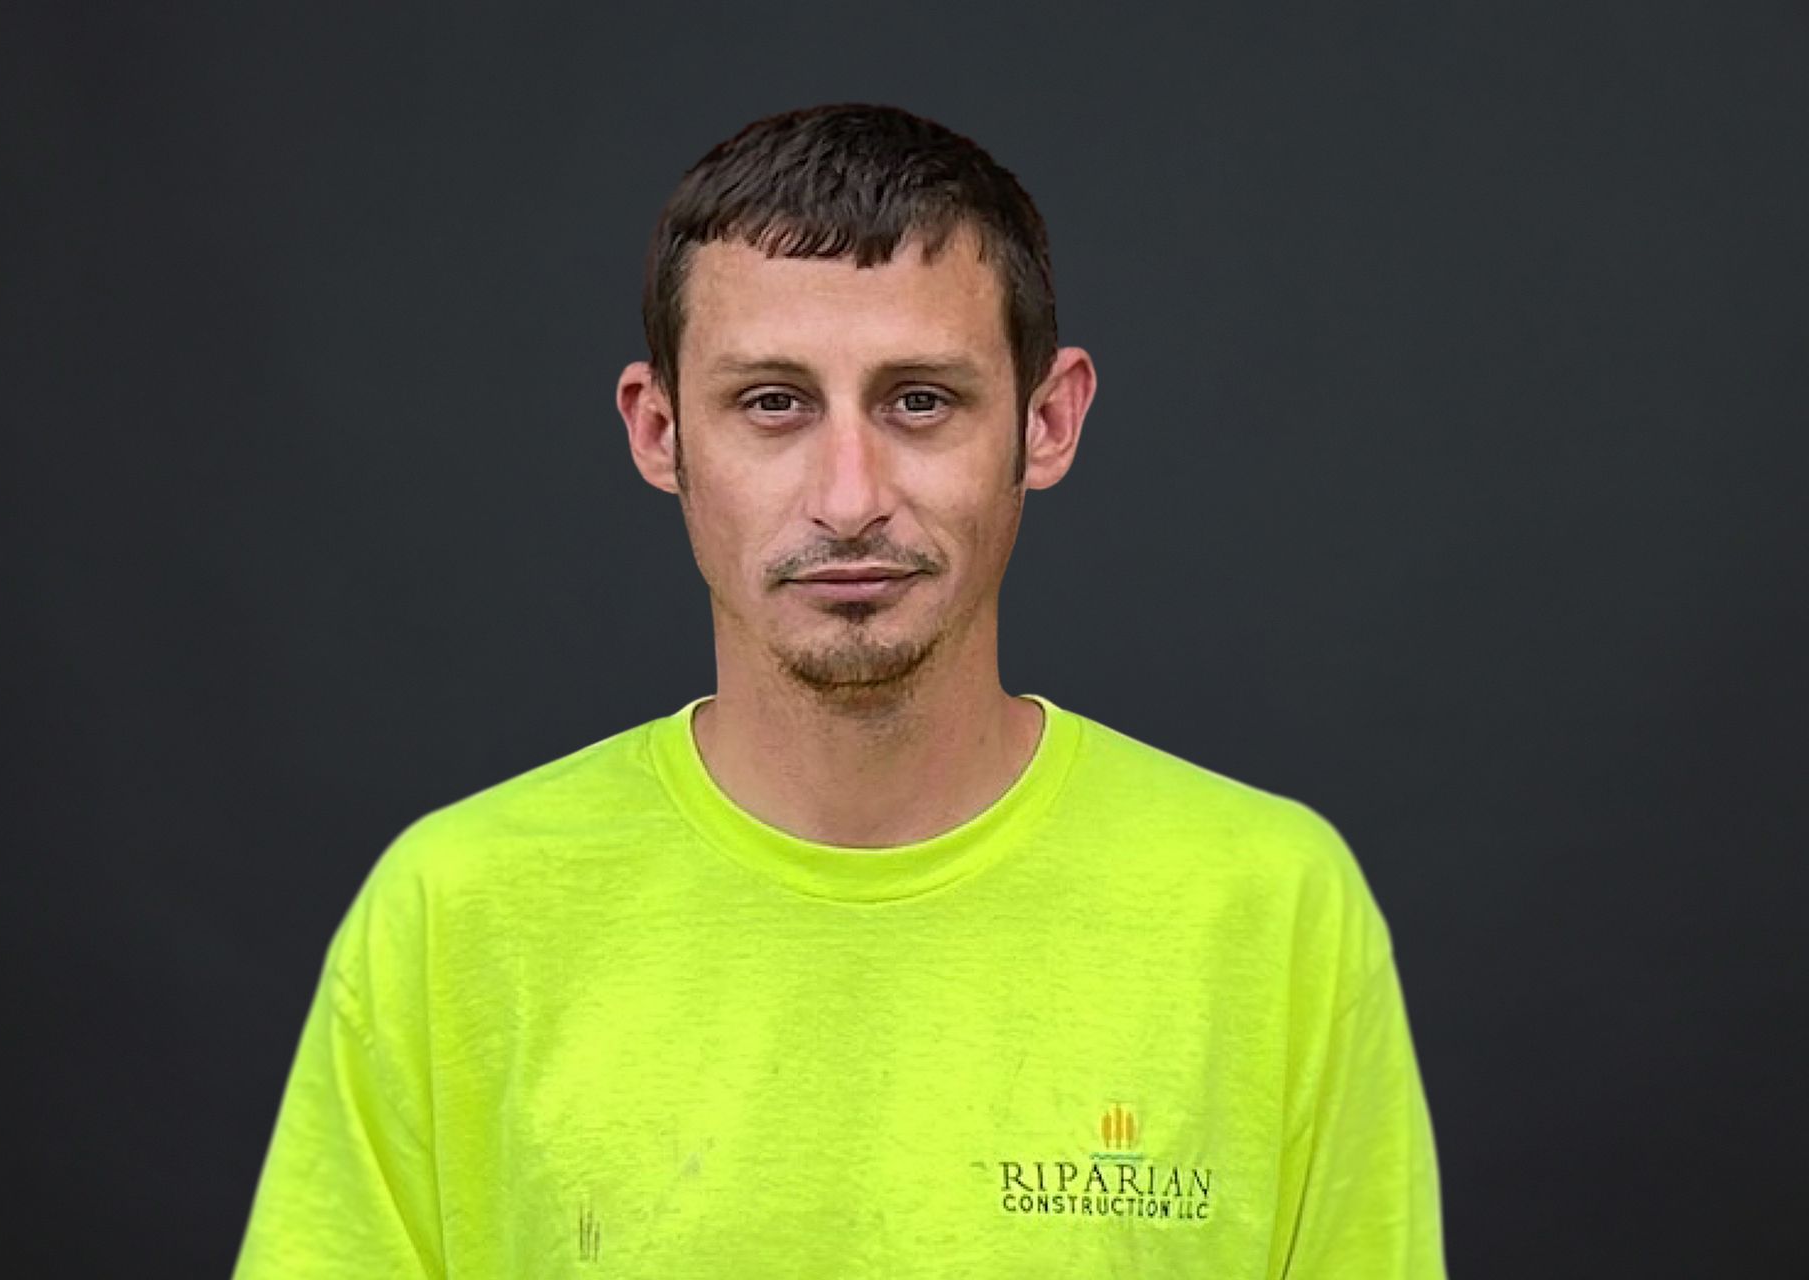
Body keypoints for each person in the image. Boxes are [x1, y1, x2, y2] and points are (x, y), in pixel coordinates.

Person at [232, 102, 1446, 1278]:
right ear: (660, 434)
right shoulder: (454, 915)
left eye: (921, 400)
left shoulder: (1275, 908)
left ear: (1048, 419)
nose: (850, 494)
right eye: (774, 403)